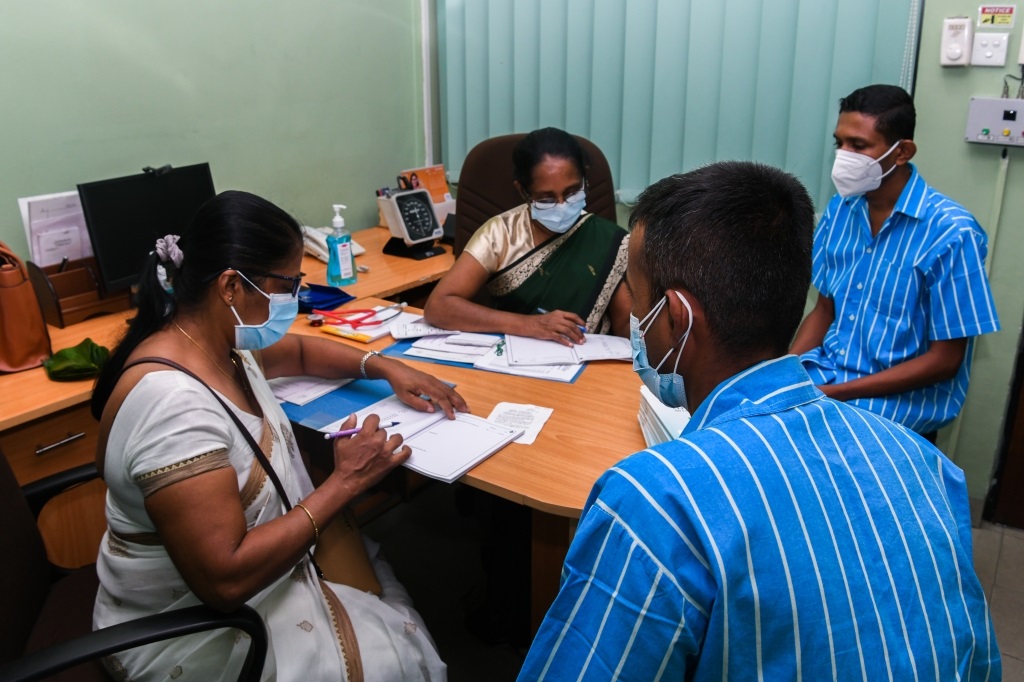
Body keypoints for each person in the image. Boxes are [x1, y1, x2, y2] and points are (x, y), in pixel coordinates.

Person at [519, 162, 1000, 680]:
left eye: (636, 298)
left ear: (677, 319)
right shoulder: (923, 462)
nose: (633, 318)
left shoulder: (654, 504)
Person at [90, 190, 467, 681]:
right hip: (191, 626)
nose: (294, 298)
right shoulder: (173, 409)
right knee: (388, 656)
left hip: (246, 579)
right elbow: (225, 582)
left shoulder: (214, 338)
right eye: (287, 284)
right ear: (230, 286)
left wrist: (384, 366)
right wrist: (346, 481)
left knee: (381, 604)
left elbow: (302, 355)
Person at [790, 84, 1000, 438]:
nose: (843, 156)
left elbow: (946, 361)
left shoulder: (951, 233)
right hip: (827, 378)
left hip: (894, 405)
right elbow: (825, 311)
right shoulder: (841, 211)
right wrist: (786, 373)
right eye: (839, 143)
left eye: (858, 146)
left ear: (901, 152)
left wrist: (833, 395)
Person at [423, 127, 631, 344]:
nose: (561, 205)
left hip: (589, 365)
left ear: (585, 180)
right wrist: (529, 325)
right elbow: (438, 307)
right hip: (512, 361)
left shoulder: (611, 241)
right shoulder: (499, 234)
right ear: (523, 191)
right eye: (547, 198)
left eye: (571, 192)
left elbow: (628, 328)